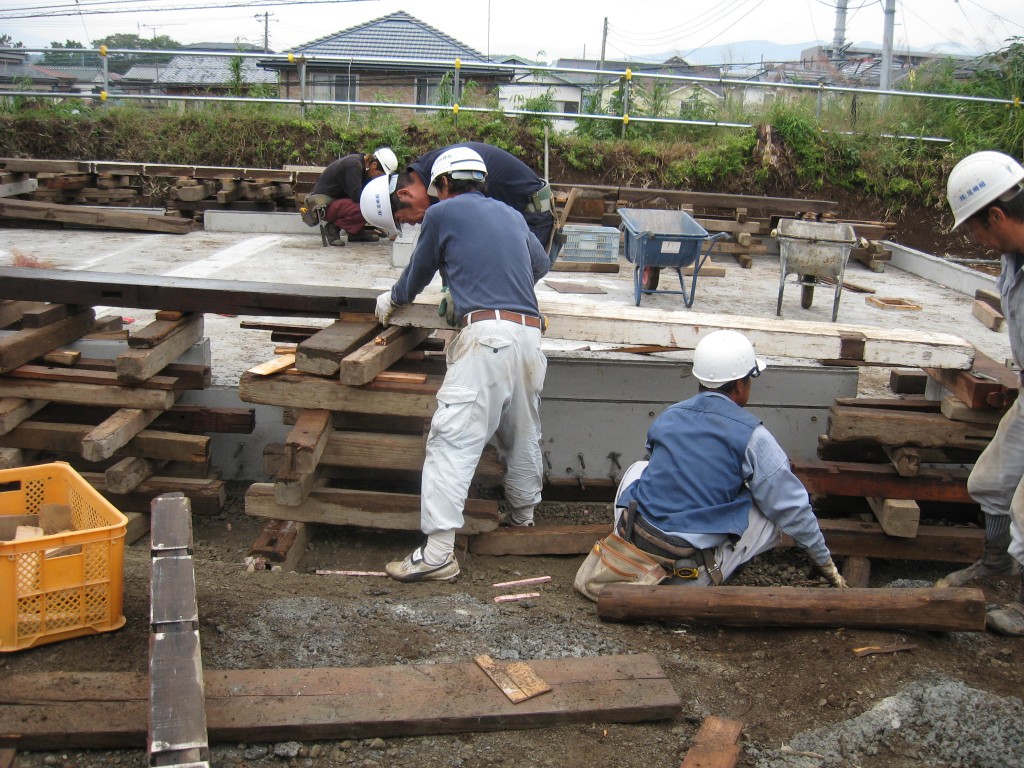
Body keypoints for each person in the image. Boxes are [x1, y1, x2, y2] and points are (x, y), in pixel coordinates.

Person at [374, 146, 551, 582]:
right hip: (530, 336)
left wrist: (393, 298)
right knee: (522, 432)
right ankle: (524, 520)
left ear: (444, 185)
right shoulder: (511, 214)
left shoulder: (442, 214)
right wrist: (486, 278)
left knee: (451, 440)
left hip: (487, 338)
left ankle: (437, 554)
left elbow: (418, 271)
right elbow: (541, 264)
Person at [610, 329, 848, 588]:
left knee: (639, 468)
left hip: (641, 553)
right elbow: (794, 509)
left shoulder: (669, 415)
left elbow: (662, 465)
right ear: (739, 385)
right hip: (687, 576)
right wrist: (826, 565)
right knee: (771, 507)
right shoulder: (752, 435)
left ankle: (622, 544)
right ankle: (716, 571)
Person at [936, 150, 1024, 636]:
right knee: (990, 480)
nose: (975, 239)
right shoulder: (1014, 258)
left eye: (973, 228)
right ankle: (997, 562)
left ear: (997, 214)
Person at [360, 141, 554, 248]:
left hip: (533, 216)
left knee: (504, 287)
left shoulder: (449, 174)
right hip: (516, 216)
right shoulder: (427, 174)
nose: (410, 224)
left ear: (403, 193)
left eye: (402, 219)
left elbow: (468, 234)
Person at [301, 147, 398, 245]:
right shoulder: (353, 165)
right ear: (374, 164)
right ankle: (332, 229)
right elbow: (357, 197)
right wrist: (377, 217)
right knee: (368, 205)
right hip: (324, 206)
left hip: (337, 203)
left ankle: (355, 233)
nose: (379, 178)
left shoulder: (363, 167)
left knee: (370, 204)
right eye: (380, 174)